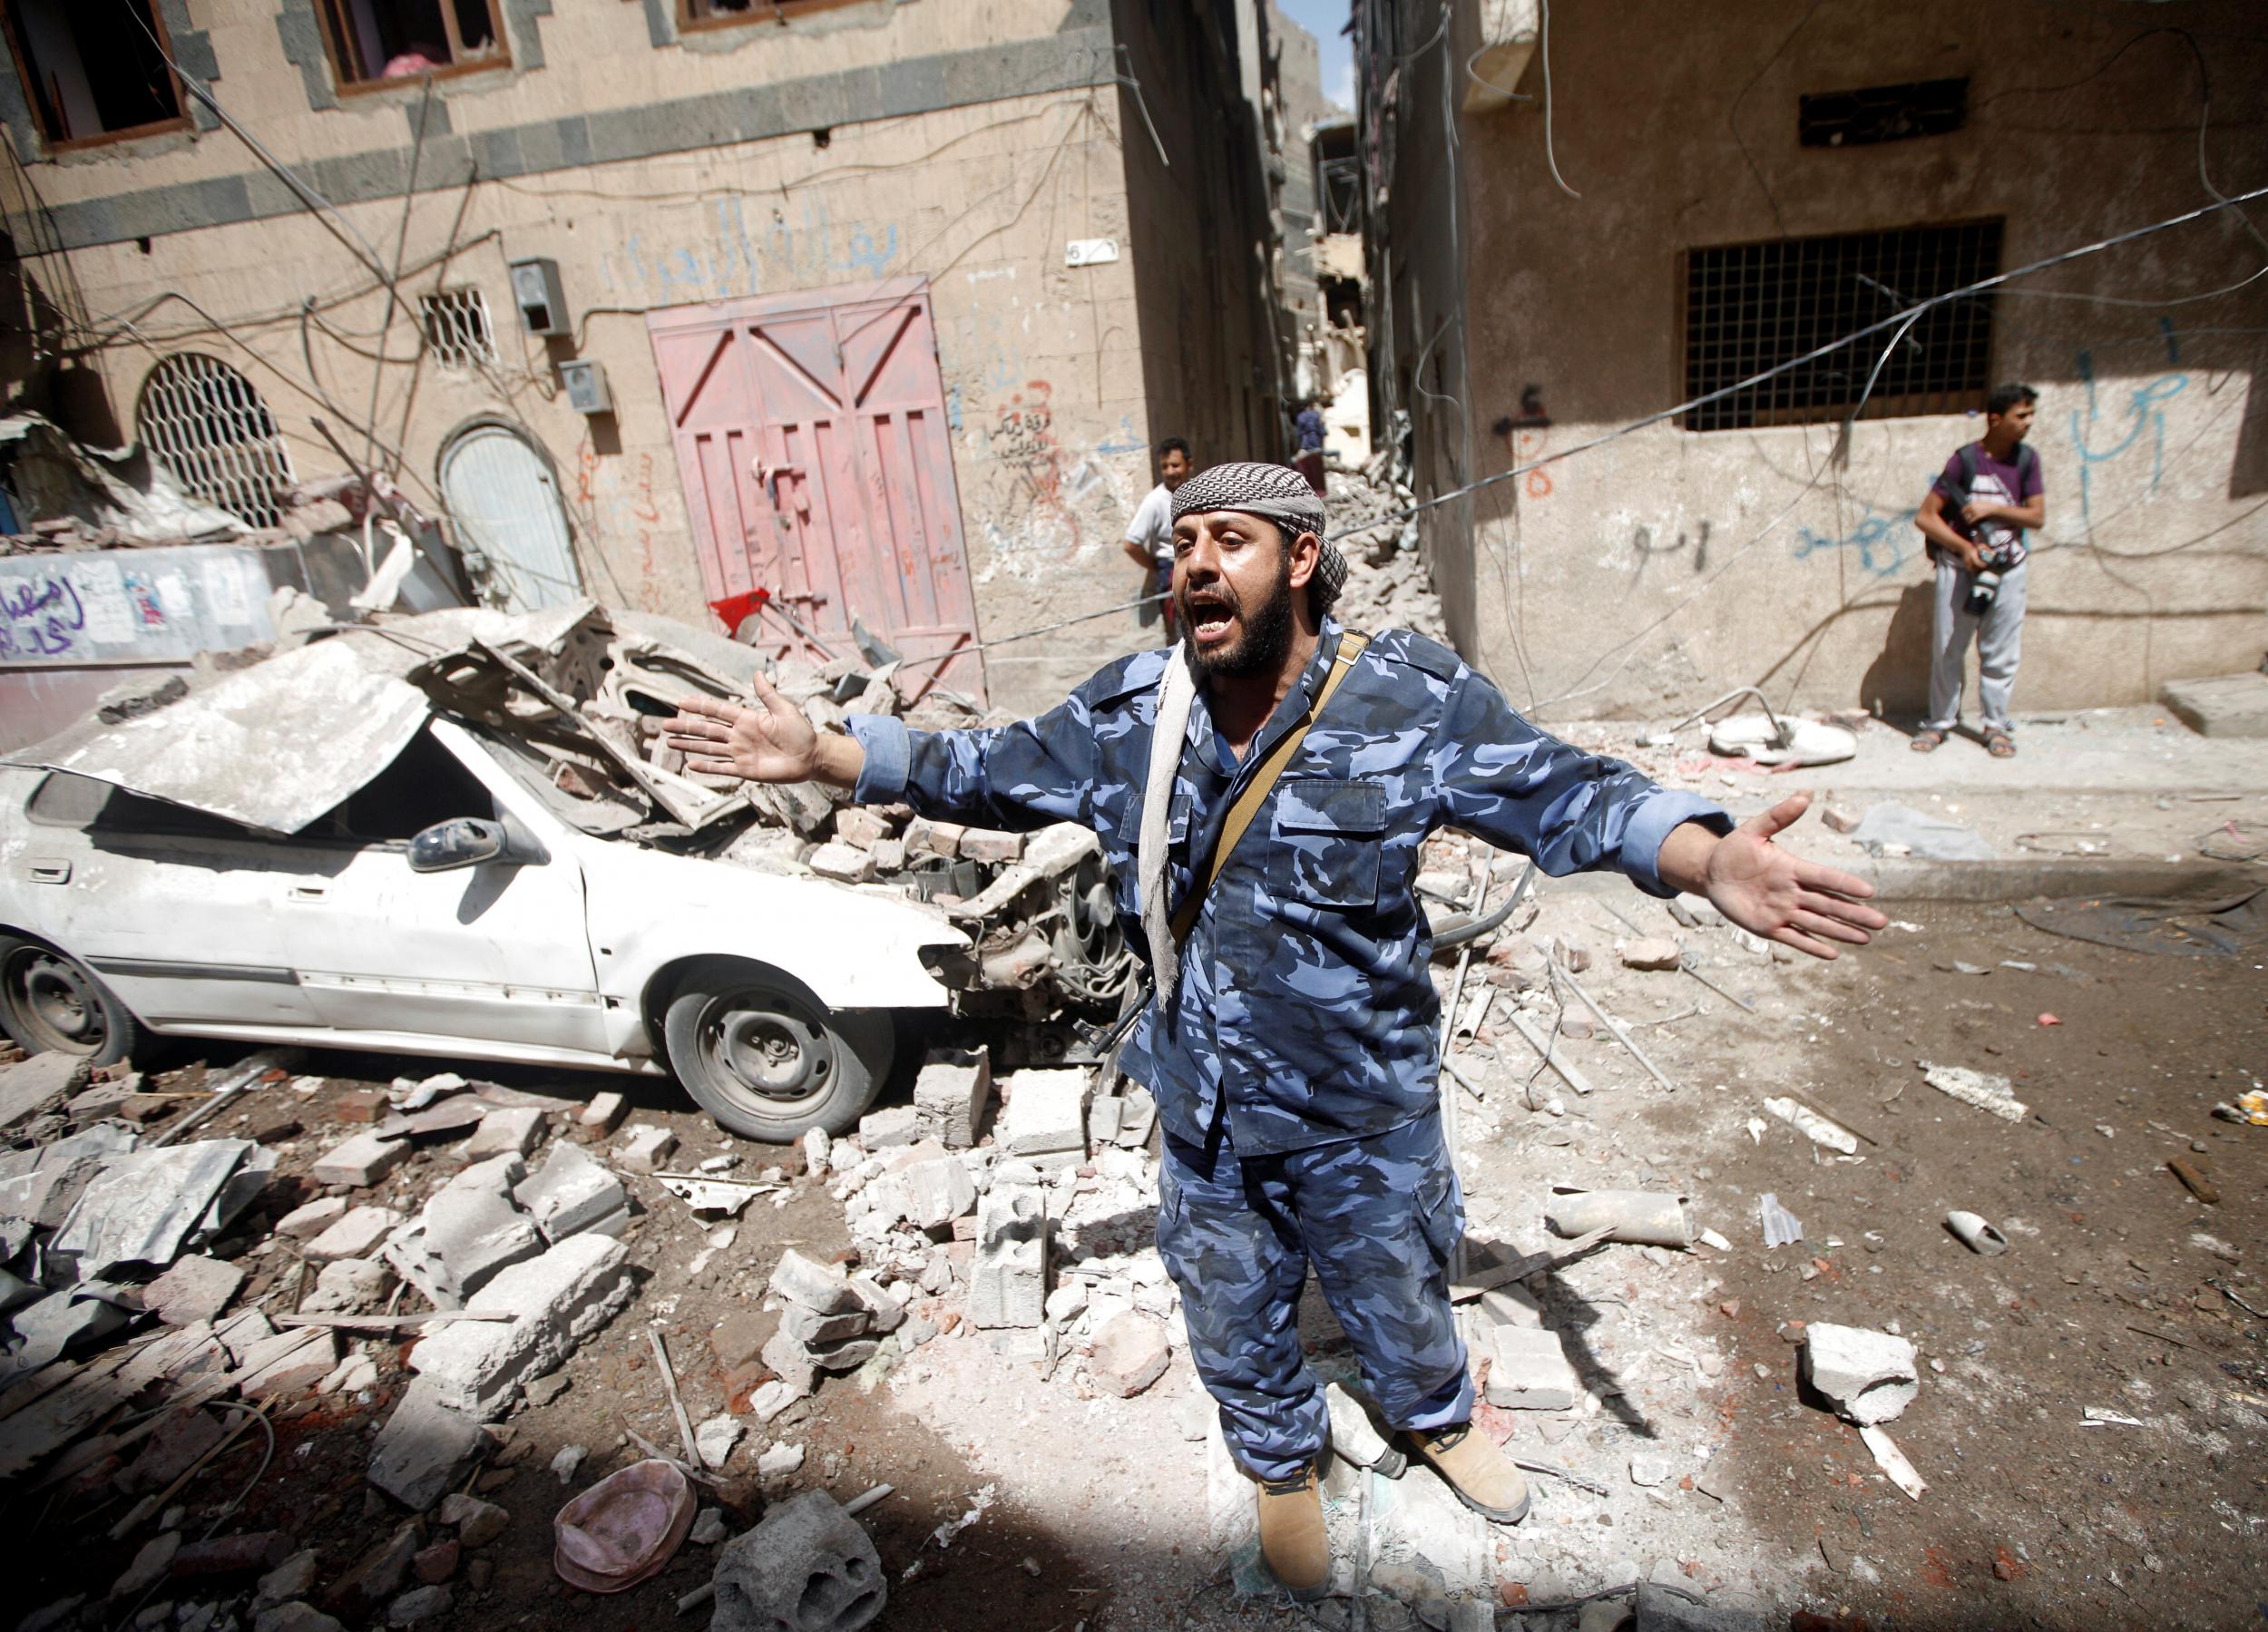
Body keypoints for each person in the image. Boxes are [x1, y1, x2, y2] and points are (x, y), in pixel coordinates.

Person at [665, 462, 1885, 1602]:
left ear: (1300, 558)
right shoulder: (1139, 710)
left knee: (1400, 1279)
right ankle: (1282, 1463)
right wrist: (826, 750)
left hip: (1366, 1106)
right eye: (1183, 544)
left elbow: (1567, 792)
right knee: (1230, 1304)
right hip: (1207, 1105)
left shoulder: (1408, 694)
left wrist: (1706, 850)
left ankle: (1438, 1416)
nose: (1195, 563)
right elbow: (982, 767)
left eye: (1229, 541)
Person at [1911, 384, 2046, 757]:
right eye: (2021, 416)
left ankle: (1995, 726)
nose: (2028, 423)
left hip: (2008, 571)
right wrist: (1965, 548)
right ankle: (1939, 724)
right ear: (1996, 418)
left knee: (2001, 652)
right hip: (1959, 568)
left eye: (2030, 415)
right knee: (1949, 648)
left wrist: (1991, 510)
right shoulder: (1965, 460)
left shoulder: (2026, 461)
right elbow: (1926, 517)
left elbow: (2037, 516)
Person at [1122, 436, 1192, 634]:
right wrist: (1157, 567)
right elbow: (1131, 545)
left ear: (1189, 464)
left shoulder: (1196, 493)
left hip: (1198, 564)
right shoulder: (1154, 501)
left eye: (1175, 465)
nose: (1170, 471)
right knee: (1182, 632)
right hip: (1171, 570)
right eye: (1165, 466)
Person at [1293, 400, 1327, 494]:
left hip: (1305, 444)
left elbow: (1299, 433)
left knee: (1307, 468)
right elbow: (1322, 431)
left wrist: (1299, 447)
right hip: (1316, 444)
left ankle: (1309, 490)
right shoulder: (1316, 415)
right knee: (1317, 468)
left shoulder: (1301, 416)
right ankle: (1321, 490)